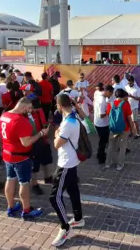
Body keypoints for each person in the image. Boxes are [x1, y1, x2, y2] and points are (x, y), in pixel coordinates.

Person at [0, 97, 45, 219]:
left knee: (10, 179)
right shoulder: (20, 120)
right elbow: (26, 142)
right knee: (24, 183)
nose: (30, 111)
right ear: (23, 107)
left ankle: (11, 206)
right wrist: (40, 134)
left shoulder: (4, 115)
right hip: (20, 157)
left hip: (7, 154)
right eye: (29, 108)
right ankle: (27, 210)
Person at [49, 94, 84, 247]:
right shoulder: (73, 116)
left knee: (54, 197)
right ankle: (78, 218)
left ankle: (66, 227)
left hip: (65, 164)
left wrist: (56, 134)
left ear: (59, 105)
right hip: (72, 161)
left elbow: (56, 144)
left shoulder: (67, 123)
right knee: (72, 190)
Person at [93, 83, 111, 164]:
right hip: (102, 124)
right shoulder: (102, 100)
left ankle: (100, 154)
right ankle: (101, 157)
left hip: (97, 122)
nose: (110, 95)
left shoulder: (98, 96)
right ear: (107, 91)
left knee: (102, 140)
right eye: (110, 93)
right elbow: (101, 115)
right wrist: (108, 111)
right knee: (103, 141)